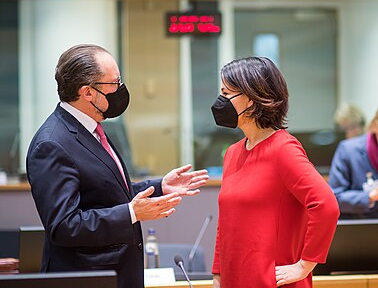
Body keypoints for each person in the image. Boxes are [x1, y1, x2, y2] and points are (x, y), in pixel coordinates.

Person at [26, 44, 209, 288]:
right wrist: (132, 213)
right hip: (88, 278)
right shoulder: (52, 143)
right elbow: (64, 226)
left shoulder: (91, 127)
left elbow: (105, 192)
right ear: (87, 92)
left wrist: (160, 186)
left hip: (118, 273)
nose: (120, 89)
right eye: (114, 83)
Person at [210, 57, 339, 288]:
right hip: (234, 281)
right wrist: (218, 274)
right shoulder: (232, 152)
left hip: (272, 282)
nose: (222, 101)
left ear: (251, 98)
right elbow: (226, 222)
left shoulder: (283, 149)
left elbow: (326, 205)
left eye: (227, 93)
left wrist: (304, 265)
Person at [328, 110, 378, 219]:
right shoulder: (348, 150)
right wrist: (370, 196)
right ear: (375, 125)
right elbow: (334, 197)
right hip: (359, 228)